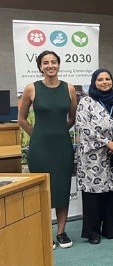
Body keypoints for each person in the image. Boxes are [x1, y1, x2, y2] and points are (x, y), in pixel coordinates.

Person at [19, 51, 77, 249]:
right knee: (43, 190)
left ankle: (61, 232)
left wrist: (59, 132)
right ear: (40, 66)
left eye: (54, 62)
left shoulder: (69, 89)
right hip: (40, 148)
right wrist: (37, 135)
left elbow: (72, 118)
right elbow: (22, 118)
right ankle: (46, 232)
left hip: (62, 146)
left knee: (62, 188)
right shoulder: (31, 89)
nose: (50, 65)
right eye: (46, 63)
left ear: (59, 65)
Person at [76, 69, 113, 244]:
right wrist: (107, 143)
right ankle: (92, 232)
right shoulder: (86, 102)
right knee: (94, 195)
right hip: (94, 156)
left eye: (108, 79)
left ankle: (112, 229)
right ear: (94, 82)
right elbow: (83, 126)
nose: (104, 82)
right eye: (100, 79)